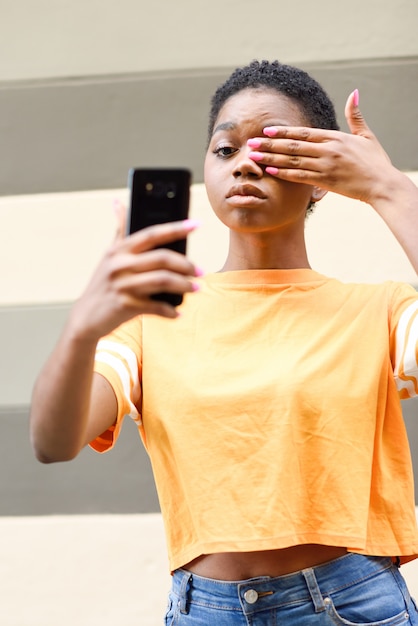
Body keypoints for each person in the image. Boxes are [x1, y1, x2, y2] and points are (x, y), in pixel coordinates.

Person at [30, 60, 418, 624]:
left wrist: (390, 189)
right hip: (203, 611)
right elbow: (52, 441)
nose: (244, 165)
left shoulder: (381, 310)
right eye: (225, 150)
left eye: (272, 147)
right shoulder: (150, 319)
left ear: (317, 174)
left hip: (349, 605)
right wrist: (82, 327)